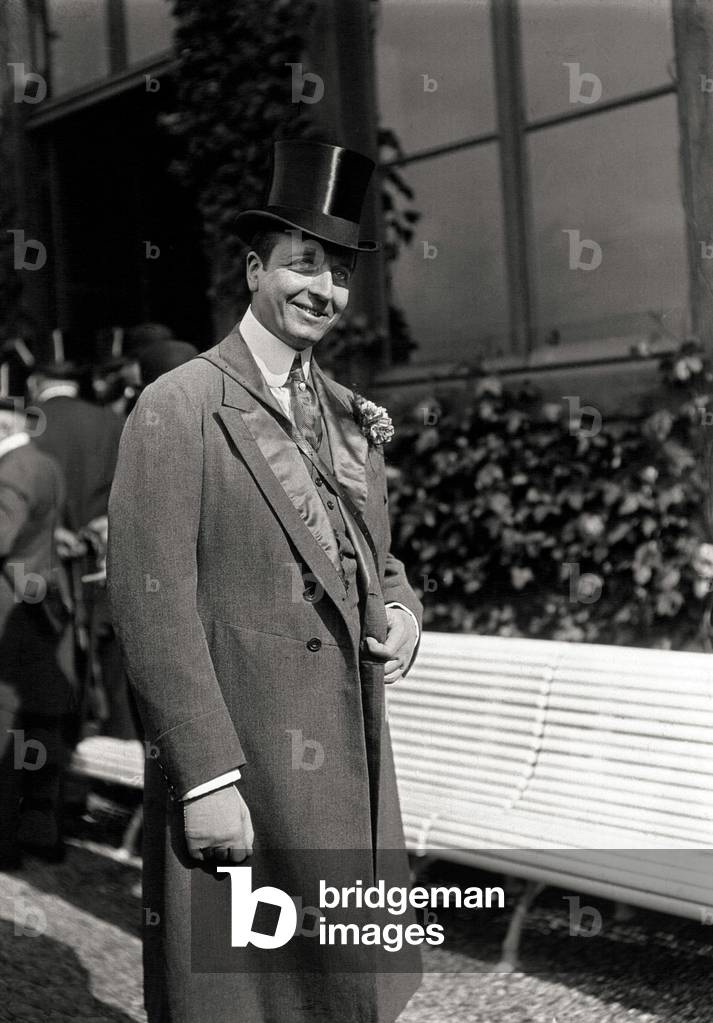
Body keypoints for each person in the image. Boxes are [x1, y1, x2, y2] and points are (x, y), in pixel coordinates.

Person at [108, 140, 423, 1023]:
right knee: (245, 997)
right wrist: (205, 776)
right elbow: (149, 601)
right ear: (255, 270)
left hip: (347, 764)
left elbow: (377, 562)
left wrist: (403, 611)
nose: (325, 290)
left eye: (341, 274)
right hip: (246, 762)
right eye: (303, 264)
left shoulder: (350, 416)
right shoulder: (178, 405)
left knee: (341, 994)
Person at [0, 396, 74, 866]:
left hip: (10, 610)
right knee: (40, 723)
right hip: (41, 603)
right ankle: (41, 833)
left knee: (7, 725)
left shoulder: (11, 471)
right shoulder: (45, 463)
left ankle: (6, 842)